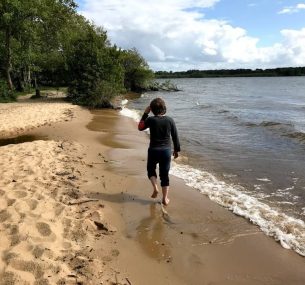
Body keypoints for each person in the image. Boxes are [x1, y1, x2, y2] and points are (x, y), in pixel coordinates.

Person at [138, 97, 180, 206]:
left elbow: (140, 127)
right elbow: (175, 136)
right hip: (166, 151)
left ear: (151, 109)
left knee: (151, 169)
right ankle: (165, 198)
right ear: (164, 108)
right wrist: (176, 150)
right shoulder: (170, 120)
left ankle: (155, 188)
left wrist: (145, 113)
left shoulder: (151, 120)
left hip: (153, 150)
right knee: (164, 175)